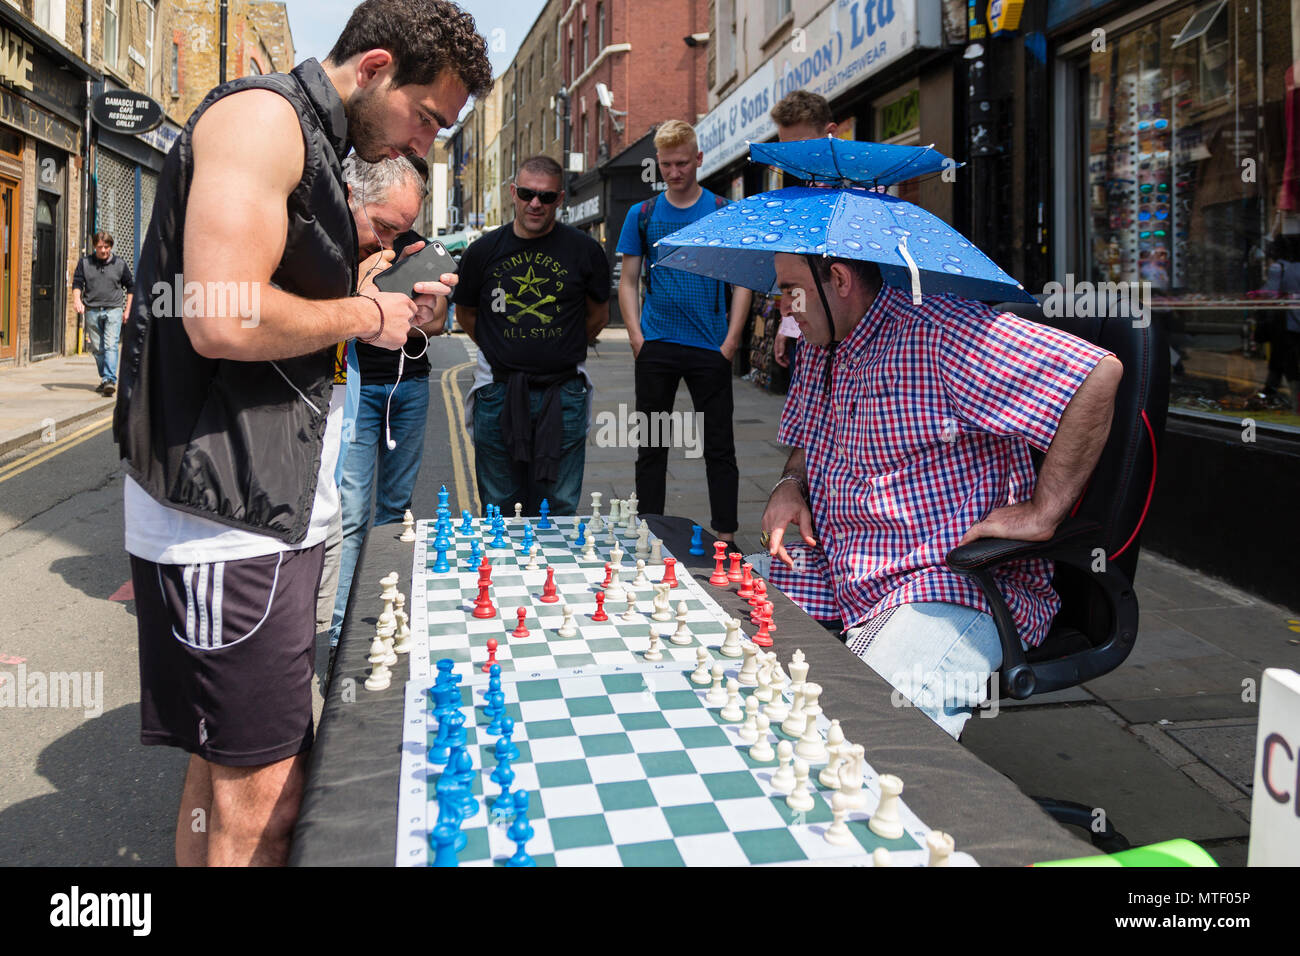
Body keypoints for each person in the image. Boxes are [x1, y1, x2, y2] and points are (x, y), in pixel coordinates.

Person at [113, 0, 491, 866]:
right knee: (267, 811)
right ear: (374, 69)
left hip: (264, 513)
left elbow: (277, 290)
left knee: (224, 790)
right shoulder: (264, 119)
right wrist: (363, 313)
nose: (424, 145)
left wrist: (381, 304)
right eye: (427, 118)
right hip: (229, 521)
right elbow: (223, 313)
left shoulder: (317, 148)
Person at [762, 253, 1122, 739]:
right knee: (735, 642)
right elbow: (809, 440)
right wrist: (790, 486)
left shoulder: (944, 333)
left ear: (840, 279)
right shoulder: (819, 341)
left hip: (949, 579)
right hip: (841, 566)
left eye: (791, 289)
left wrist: (1045, 510)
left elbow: (1097, 375)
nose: (785, 308)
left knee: (867, 731)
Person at [317, 155, 445, 677]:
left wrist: (417, 318)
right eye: (386, 225)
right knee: (349, 515)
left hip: (409, 384)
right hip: (356, 387)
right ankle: (342, 634)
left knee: (394, 510)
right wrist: (364, 295)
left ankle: (381, 617)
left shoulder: (416, 252)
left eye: (402, 227)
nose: (390, 239)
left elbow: (433, 327)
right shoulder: (347, 245)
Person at [617, 120, 752, 542]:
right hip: (656, 345)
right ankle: (650, 529)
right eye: (666, 164)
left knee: (718, 447)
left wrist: (731, 341)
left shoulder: (721, 211)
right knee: (652, 446)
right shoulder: (642, 215)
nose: (674, 172)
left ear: (698, 159)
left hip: (710, 348)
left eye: (682, 163)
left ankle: (726, 535)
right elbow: (627, 280)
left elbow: (743, 279)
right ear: (658, 163)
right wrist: (637, 337)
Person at [454, 154, 610, 515]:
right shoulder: (482, 252)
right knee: (499, 506)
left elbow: (598, 315)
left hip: (564, 393)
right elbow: (465, 313)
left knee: (557, 507)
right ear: (513, 192)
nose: (535, 203)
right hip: (497, 393)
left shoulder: (585, 251)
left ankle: (553, 571)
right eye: (527, 194)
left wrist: (559, 347)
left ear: (560, 199)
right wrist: (501, 348)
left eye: (546, 196)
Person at [769, 91, 838, 377]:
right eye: (787, 151)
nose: (795, 160)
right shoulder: (797, 201)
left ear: (830, 133)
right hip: (809, 336)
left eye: (803, 147)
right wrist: (788, 325)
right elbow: (794, 274)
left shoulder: (860, 191)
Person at [72, 232, 134, 396]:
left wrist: (128, 309)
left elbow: (131, 287)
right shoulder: (85, 263)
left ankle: (109, 379)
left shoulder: (120, 264)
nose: (104, 250)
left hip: (113, 310)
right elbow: (77, 283)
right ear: (95, 246)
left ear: (111, 246)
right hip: (92, 310)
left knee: (110, 345)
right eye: (100, 247)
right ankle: (105, 378)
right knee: (97, 349)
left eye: (106, 247)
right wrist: (77, 300)